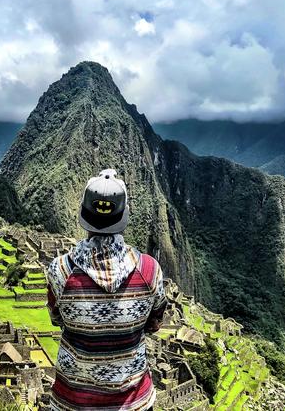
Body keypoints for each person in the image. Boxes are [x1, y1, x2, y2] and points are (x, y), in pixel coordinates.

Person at [47, 169, 167, 411]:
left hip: (73, 402)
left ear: (83, 214)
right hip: (134, 403)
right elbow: (154, 323)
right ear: (124, 216)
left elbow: (56, 319)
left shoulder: (60, 271)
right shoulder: (149, 270)